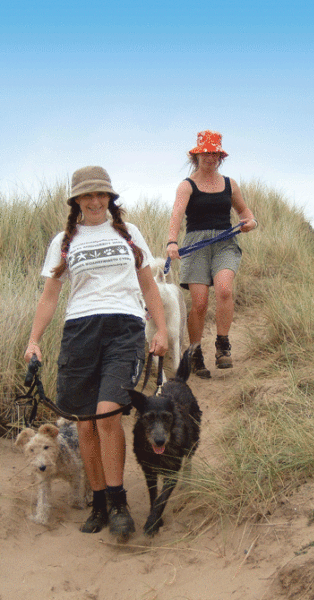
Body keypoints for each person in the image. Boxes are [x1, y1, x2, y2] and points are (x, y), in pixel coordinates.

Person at [24, 166, 168, 542]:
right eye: (87, 195)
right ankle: (99, 502)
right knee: (85, 422)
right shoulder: (64, 241)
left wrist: (163, 330)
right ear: (76, 201)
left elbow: (148, 286)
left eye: (101, 194)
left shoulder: (128, 233)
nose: (94, 201)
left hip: (124, 329)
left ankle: (119, 503)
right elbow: (50, 295)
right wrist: (33, 339)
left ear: (110, 198)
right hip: (80, 332)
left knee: (107, 416)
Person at [166, 130, 257, 379]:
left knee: (225, 289)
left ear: (220, 156)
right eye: (206, 153)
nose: (210, 157)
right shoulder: (187, 185)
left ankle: (222, 344)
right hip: (196, 244)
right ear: (197, 155)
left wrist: (251, 222)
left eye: (215, 153)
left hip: (225, 241)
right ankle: (195, 353)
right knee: (200, 303)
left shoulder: (230, 184)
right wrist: (172, 242)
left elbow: (245, 212)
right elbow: (176, 214)